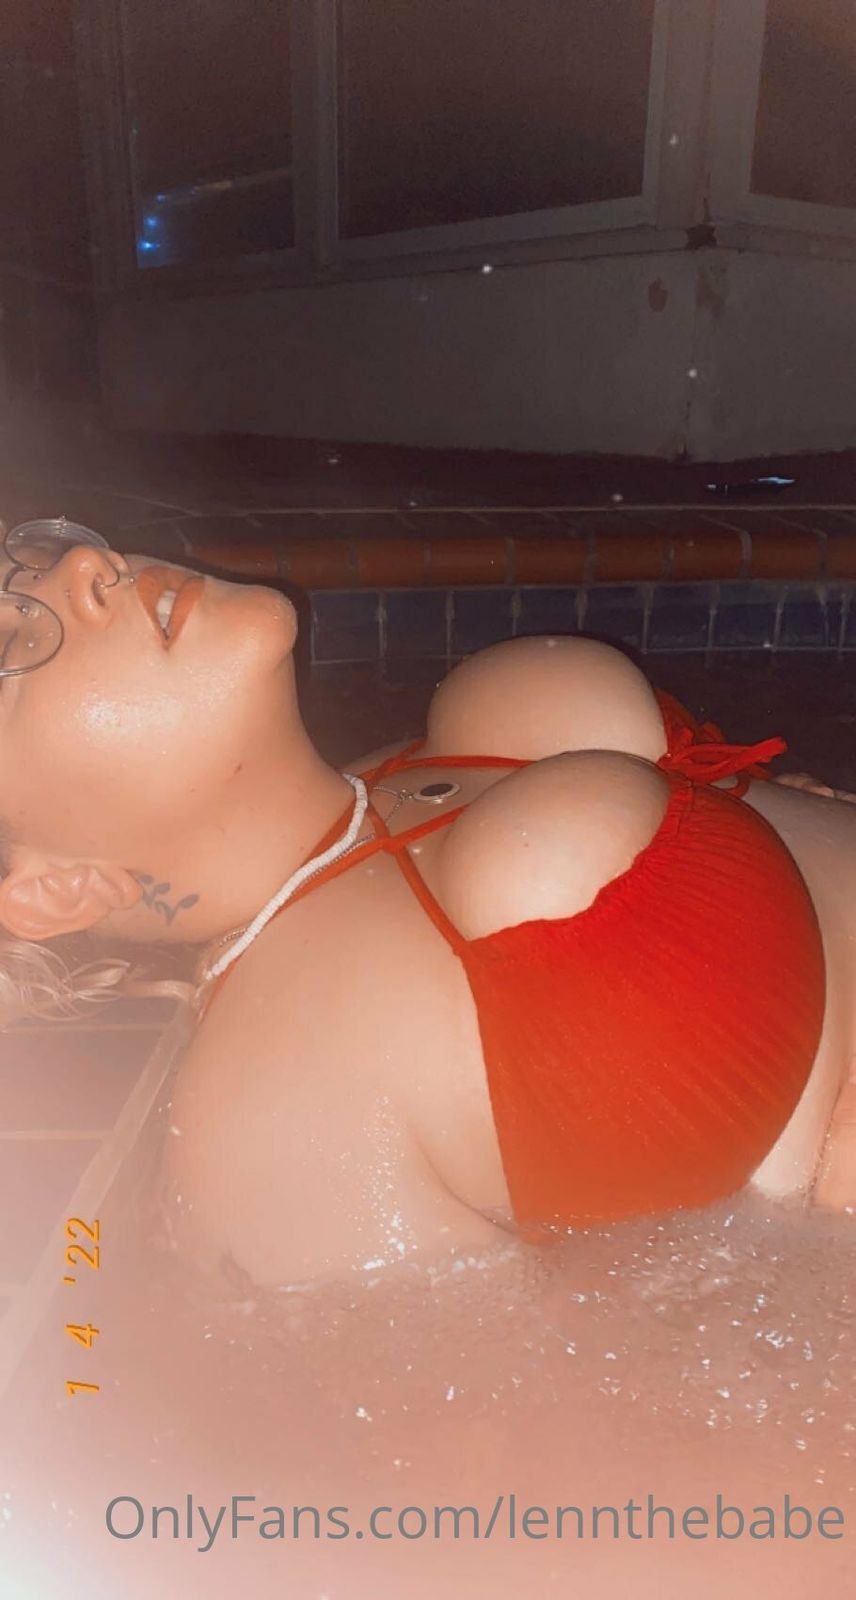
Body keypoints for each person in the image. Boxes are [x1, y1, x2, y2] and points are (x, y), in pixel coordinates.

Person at [0, 518, 854, 1289]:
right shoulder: (267, 1129)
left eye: (23, 559)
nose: (83, 563)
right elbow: (547, 1393)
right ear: (55, 884)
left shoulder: (388, 777)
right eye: (10, 638)